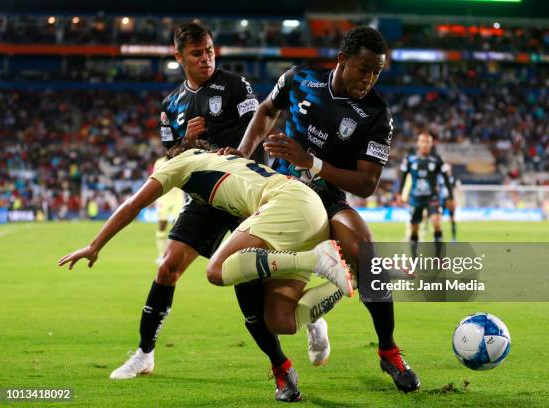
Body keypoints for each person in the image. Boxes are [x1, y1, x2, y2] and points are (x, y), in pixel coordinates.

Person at [57, 143, 355, 401]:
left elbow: (135, 203)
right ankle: (342, 282)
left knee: (217, 270)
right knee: (282, 320)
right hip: (306, 210)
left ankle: (314, 260)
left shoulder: (182, 162)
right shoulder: (221, 163)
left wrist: (95, 245)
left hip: (288, 204)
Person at [225, 26, 421, 393]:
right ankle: (281, 366)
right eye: (364, 68)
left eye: (378, 72)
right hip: (276, 194)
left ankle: (389, 351)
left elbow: (366, 184)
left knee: (366, 253)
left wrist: (311, 163)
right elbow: (268, 107)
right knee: (264, 302)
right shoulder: (299, 79)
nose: (370, 79)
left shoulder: (377, 114)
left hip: (326, 197)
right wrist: (243, 149)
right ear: (342, 60)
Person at [108, 21, 266, 382]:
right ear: (179, 56)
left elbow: (260, 127)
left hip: (245, 192)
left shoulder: (235, 85)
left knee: (262, 278)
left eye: (209, 51)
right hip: (205, 197)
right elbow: (171, 157)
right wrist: (187, 140)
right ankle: (144, 354)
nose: (206, 59)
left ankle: (311, 319)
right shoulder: (171, 104)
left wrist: (240, 154)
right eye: (197, 54)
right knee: (167, 267)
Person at [398, 132, 454, 257]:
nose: (425, 144)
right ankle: (414, 257)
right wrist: (399, 193)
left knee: (437, 222)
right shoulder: (410, 159)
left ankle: (438, 258)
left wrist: (450, 197)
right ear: (418, 143)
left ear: (431, 144)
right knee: (414, 228)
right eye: (422, 141)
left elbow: (446, 178)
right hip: (415, 198)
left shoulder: (437, 159)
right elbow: (403, 176)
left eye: (427, 142)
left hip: (432, 198)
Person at [152, 155, 185, 264]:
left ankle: (174, 255)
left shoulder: (182, 159)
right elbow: (154, 179)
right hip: (163, 197)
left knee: (178, 226)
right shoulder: (159, 162)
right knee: (162, 225)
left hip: (177, 196)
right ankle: (161, 255)